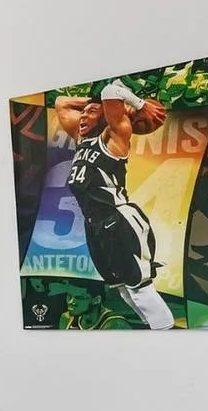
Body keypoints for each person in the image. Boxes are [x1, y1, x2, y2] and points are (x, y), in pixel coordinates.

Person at [52, 81, 174, 330]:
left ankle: (168, 333)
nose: (83, 115)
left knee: (139, 287)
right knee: (122, 288)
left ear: (105, 118)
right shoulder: (82, 140)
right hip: (94, 223)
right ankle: (154, 328)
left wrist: (136, 104)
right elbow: (61, 103)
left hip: (118, 219)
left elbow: (109, 91)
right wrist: (93, 104)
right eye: (83, 112)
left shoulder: (114, 136)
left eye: (91, 112)